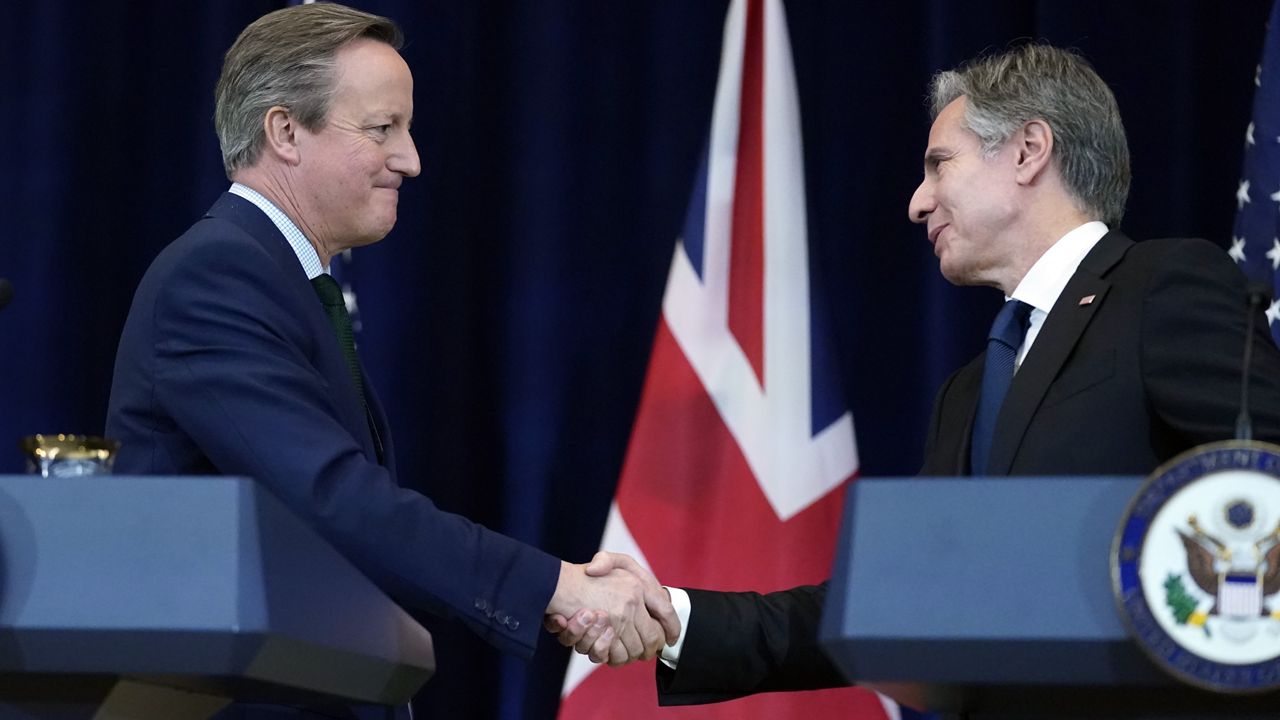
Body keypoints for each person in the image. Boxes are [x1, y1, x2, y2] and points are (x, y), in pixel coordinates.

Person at [547, 42, 1280, 704]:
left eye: (939, 164)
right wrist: (675, 617)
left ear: (1028, 151)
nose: (917, 200)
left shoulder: (1162, 288)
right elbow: (899, 602)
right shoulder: (971, 390)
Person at [105, 4, 675, 715]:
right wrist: (555, 587)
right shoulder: (219, 274)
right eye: (383, 130)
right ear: (285, 131)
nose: (410, 158)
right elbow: (334, 500)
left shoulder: (282, 278)